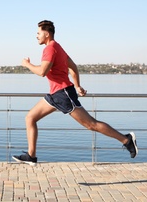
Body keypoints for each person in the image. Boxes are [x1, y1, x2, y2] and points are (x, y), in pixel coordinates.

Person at [12, 20, 138, 165]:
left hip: (63, 94)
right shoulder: (58, 47)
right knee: (30, 118)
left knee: (91, 124)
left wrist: (27, 64)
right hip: (55, 94)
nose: (36, 36)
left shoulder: (50, 49)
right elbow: (72, 67)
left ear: (46, 34)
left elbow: (42, 72)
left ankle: (127, 140)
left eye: (38, 33)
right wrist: (77, 86)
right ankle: (31, 156)